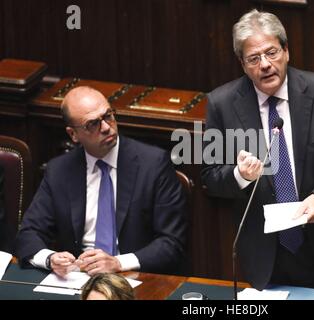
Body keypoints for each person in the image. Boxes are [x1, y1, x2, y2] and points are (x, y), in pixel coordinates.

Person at [201, 9, 314, 291]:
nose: (265, 65)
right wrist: (241, 175)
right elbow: (209, 177)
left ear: (287, 51)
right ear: (242, 64)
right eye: (254, 58)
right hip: (265, 256)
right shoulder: (222, 104)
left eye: (272, 53)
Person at [15, 86, 187, 277]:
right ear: (73, 134)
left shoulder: (153, 164)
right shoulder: (60, 171)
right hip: (78, 279)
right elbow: (29, 233)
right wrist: (50, 259)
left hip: (133, 277)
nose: (106, 127)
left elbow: (172, 243)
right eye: (92, 124)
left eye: (108, 116)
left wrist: (117, 263)